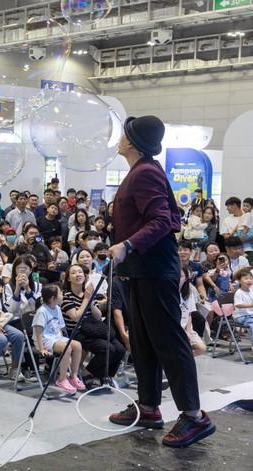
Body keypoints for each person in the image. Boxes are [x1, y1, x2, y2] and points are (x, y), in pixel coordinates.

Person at [108, 115, 214, 447]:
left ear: (132, 142)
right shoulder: (141, 171)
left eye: (123, 134)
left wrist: (127, 244)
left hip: (154, 270)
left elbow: (162, 221)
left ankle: (194, 416)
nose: (119, 139)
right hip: (143, 271)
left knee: (170, 342)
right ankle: (149, 406)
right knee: (143, 342)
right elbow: (168, 216)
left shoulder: (145, 173)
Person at [62, 264, 125, 388]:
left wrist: (90, 300)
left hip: (93, 329)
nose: (78, 274)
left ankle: (106, 375)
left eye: (80, 272)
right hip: (77, 332)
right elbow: (76, 317)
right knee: (107, 348)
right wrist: (86, 299)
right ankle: (87, 372)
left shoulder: (88, 293)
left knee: (120, 349)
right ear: (68, 278)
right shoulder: (66, 297)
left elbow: (98, 316)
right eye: (74, 273)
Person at [33, 284, 85, 394]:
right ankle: (62, 379)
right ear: (53, 298)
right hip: (44, 340)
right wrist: (41, 348)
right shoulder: (42, 311)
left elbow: (60, 328)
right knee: (66, 348)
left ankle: (73, 376)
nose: (63, 295)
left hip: (56, 338)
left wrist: (62, 339)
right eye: (60, 293)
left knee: (77, 345)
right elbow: (38, 332)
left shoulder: (57, 308)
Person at [233, 267, 253, 342]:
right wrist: (251, 305)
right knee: (252, 325)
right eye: (246, 278)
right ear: (239, 281)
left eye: (251, 278)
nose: (249, 280)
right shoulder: (239, 292)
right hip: (241, 316)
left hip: (250, 315)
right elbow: (238, 305)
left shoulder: (251, 291)